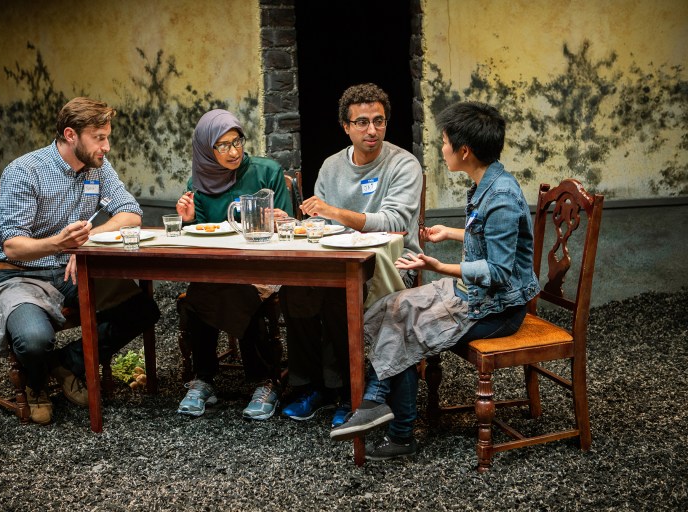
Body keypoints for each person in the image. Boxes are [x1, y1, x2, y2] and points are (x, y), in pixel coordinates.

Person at [329, 101, 540, 460]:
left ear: (464, 150)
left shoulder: (501, 196)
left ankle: (397, 431)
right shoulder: (486, 182)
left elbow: (500, 272)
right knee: (392, 306)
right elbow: (490, 238)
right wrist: (453, 233)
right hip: (472, 293)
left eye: (444, 142)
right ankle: (377, 401)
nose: (442, 150)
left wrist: (440, 267)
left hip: (497, 309)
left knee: (410, 327)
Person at [0, 97, 161, 425]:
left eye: (108, 136)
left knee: (142, 310)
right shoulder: (25, 171)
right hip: (19, 276)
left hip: (71, 267)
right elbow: (12, 247)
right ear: (71, 135)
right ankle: (35, 384)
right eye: (99, 137)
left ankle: (64, 365)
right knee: (35, 340)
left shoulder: (97, 167)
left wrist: (84, 246)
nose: (107, 146)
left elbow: (131, 213)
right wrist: (59, 244)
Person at [279, 83, 423, 427]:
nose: (371, 130)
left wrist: (335, 212)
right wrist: (297, 222)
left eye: (379, 121)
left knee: (338, 297)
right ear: (346, 127)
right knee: (295, 291)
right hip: (337, 260)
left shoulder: (403, 165)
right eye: (361, 122)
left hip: (393, 264)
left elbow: (394, 222)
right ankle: (310, 387)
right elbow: (318, 223)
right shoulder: (331, 166)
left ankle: (348, 390)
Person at [174, 109, 293, 420]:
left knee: (224, 293)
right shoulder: (197, 182)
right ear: (205, 148)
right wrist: (187, 221)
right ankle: (254, 381)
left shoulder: (267, 171)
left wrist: (280, 220)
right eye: (222, 145)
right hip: (218, 268)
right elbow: (198, 237)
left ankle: (220, 379)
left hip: (265, 265)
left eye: (237, 141)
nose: (233, 151)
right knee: (208, 287)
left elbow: (290, 227)